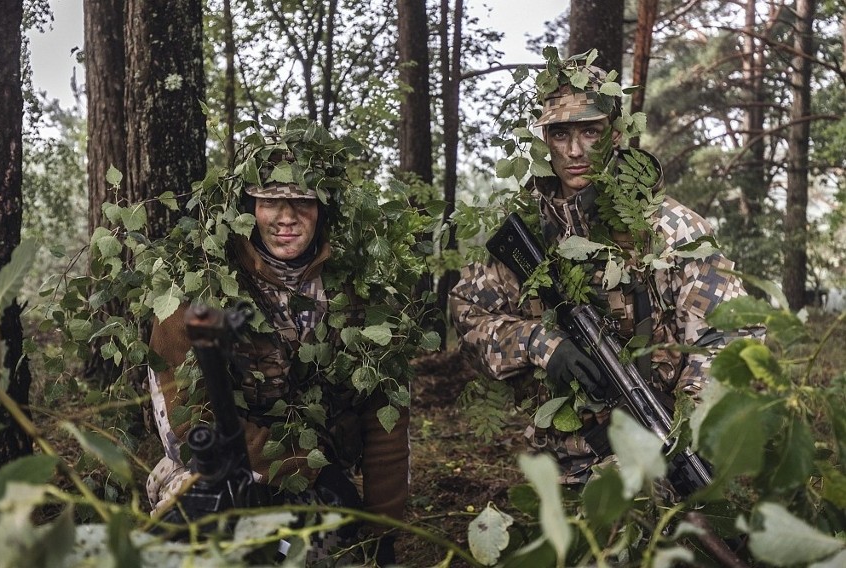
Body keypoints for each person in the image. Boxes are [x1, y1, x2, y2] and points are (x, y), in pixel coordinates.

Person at [449, 63, 762, 487]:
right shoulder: (525, 231)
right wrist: (538, 344)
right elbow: (468, 313)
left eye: (590, 132)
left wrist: (686, 426)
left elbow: (731, 338)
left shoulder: (671, 229)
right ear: (545, 140)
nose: (575, 151)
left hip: (652, 464)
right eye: (560, 134)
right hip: (559, 464)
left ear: (615, 134)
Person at [145, 125, 408, 564]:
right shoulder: (196, 288)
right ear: (248, 209)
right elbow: (186, 430)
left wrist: (383, 534)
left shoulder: (361, 296)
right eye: (269, 202)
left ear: (322, 209)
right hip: (212, 470)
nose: (287, 217)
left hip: (319, 481)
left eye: (303, 202)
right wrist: (292, 463)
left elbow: (386, 428)